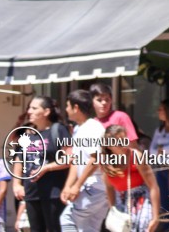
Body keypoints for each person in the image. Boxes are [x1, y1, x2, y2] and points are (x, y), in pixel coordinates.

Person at [11, 96, 71, 232]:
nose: (29, 111)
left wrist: (46, 168)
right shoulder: (28, 133)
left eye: (34, 108)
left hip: (53, 193)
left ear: (46, 112)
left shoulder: (58, 130)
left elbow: (69, 158)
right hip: (32, 193)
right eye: (29, 108)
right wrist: (17, 184)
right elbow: (19, 159)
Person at [60, 89, 109, 232]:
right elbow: (76, 160)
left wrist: (77, 185)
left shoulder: (93, 128)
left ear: (76, 108)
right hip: (91, 187)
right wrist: (68, 186)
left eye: (68, 106)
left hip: (96, 187)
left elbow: (96, 158)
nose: (66, 110)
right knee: (88, 228)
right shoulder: (78, 129)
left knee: (68, 219)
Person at [100, 125, 160, 232]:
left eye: (124, 139)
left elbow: (153, 186)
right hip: (120, 205)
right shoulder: (106, 163)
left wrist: (155, 216)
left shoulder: (136, 156)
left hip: (140, 202)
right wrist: (112, 209)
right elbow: (109, 188)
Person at [148, 99, 169, 230]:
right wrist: (162, 151)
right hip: (161, 170)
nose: (158, 111)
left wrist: (162, 151)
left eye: (161, 109)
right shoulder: (160, 129)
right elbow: (151, 151)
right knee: (164, 206)